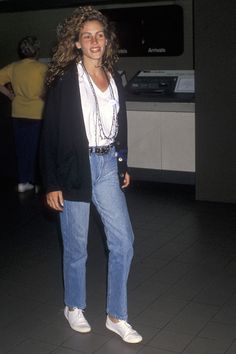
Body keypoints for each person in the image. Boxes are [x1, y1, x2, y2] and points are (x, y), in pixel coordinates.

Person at [40, 6, 142, 344]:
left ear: (107, 40)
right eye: (88, 36)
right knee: (77, 246)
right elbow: (49, 133)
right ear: (78, 42)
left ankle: (116, 315)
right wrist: (51, 181)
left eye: (100, 35)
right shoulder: (65, 80)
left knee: (123, 242)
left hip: (106, 165)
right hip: (74, 168)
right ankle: (74, 306)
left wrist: (122, 163)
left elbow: (120, 126)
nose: (95, 41)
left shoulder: (113, 76)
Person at [0, 36, 48, 193]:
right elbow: (46, 91)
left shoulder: (14, 67)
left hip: (18, 113)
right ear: (37, 51)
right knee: (36, 150)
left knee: (21, 149)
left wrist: (10, 95)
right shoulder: (42, 68)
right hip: (37, 114)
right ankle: (35, 183)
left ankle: (22, 182)